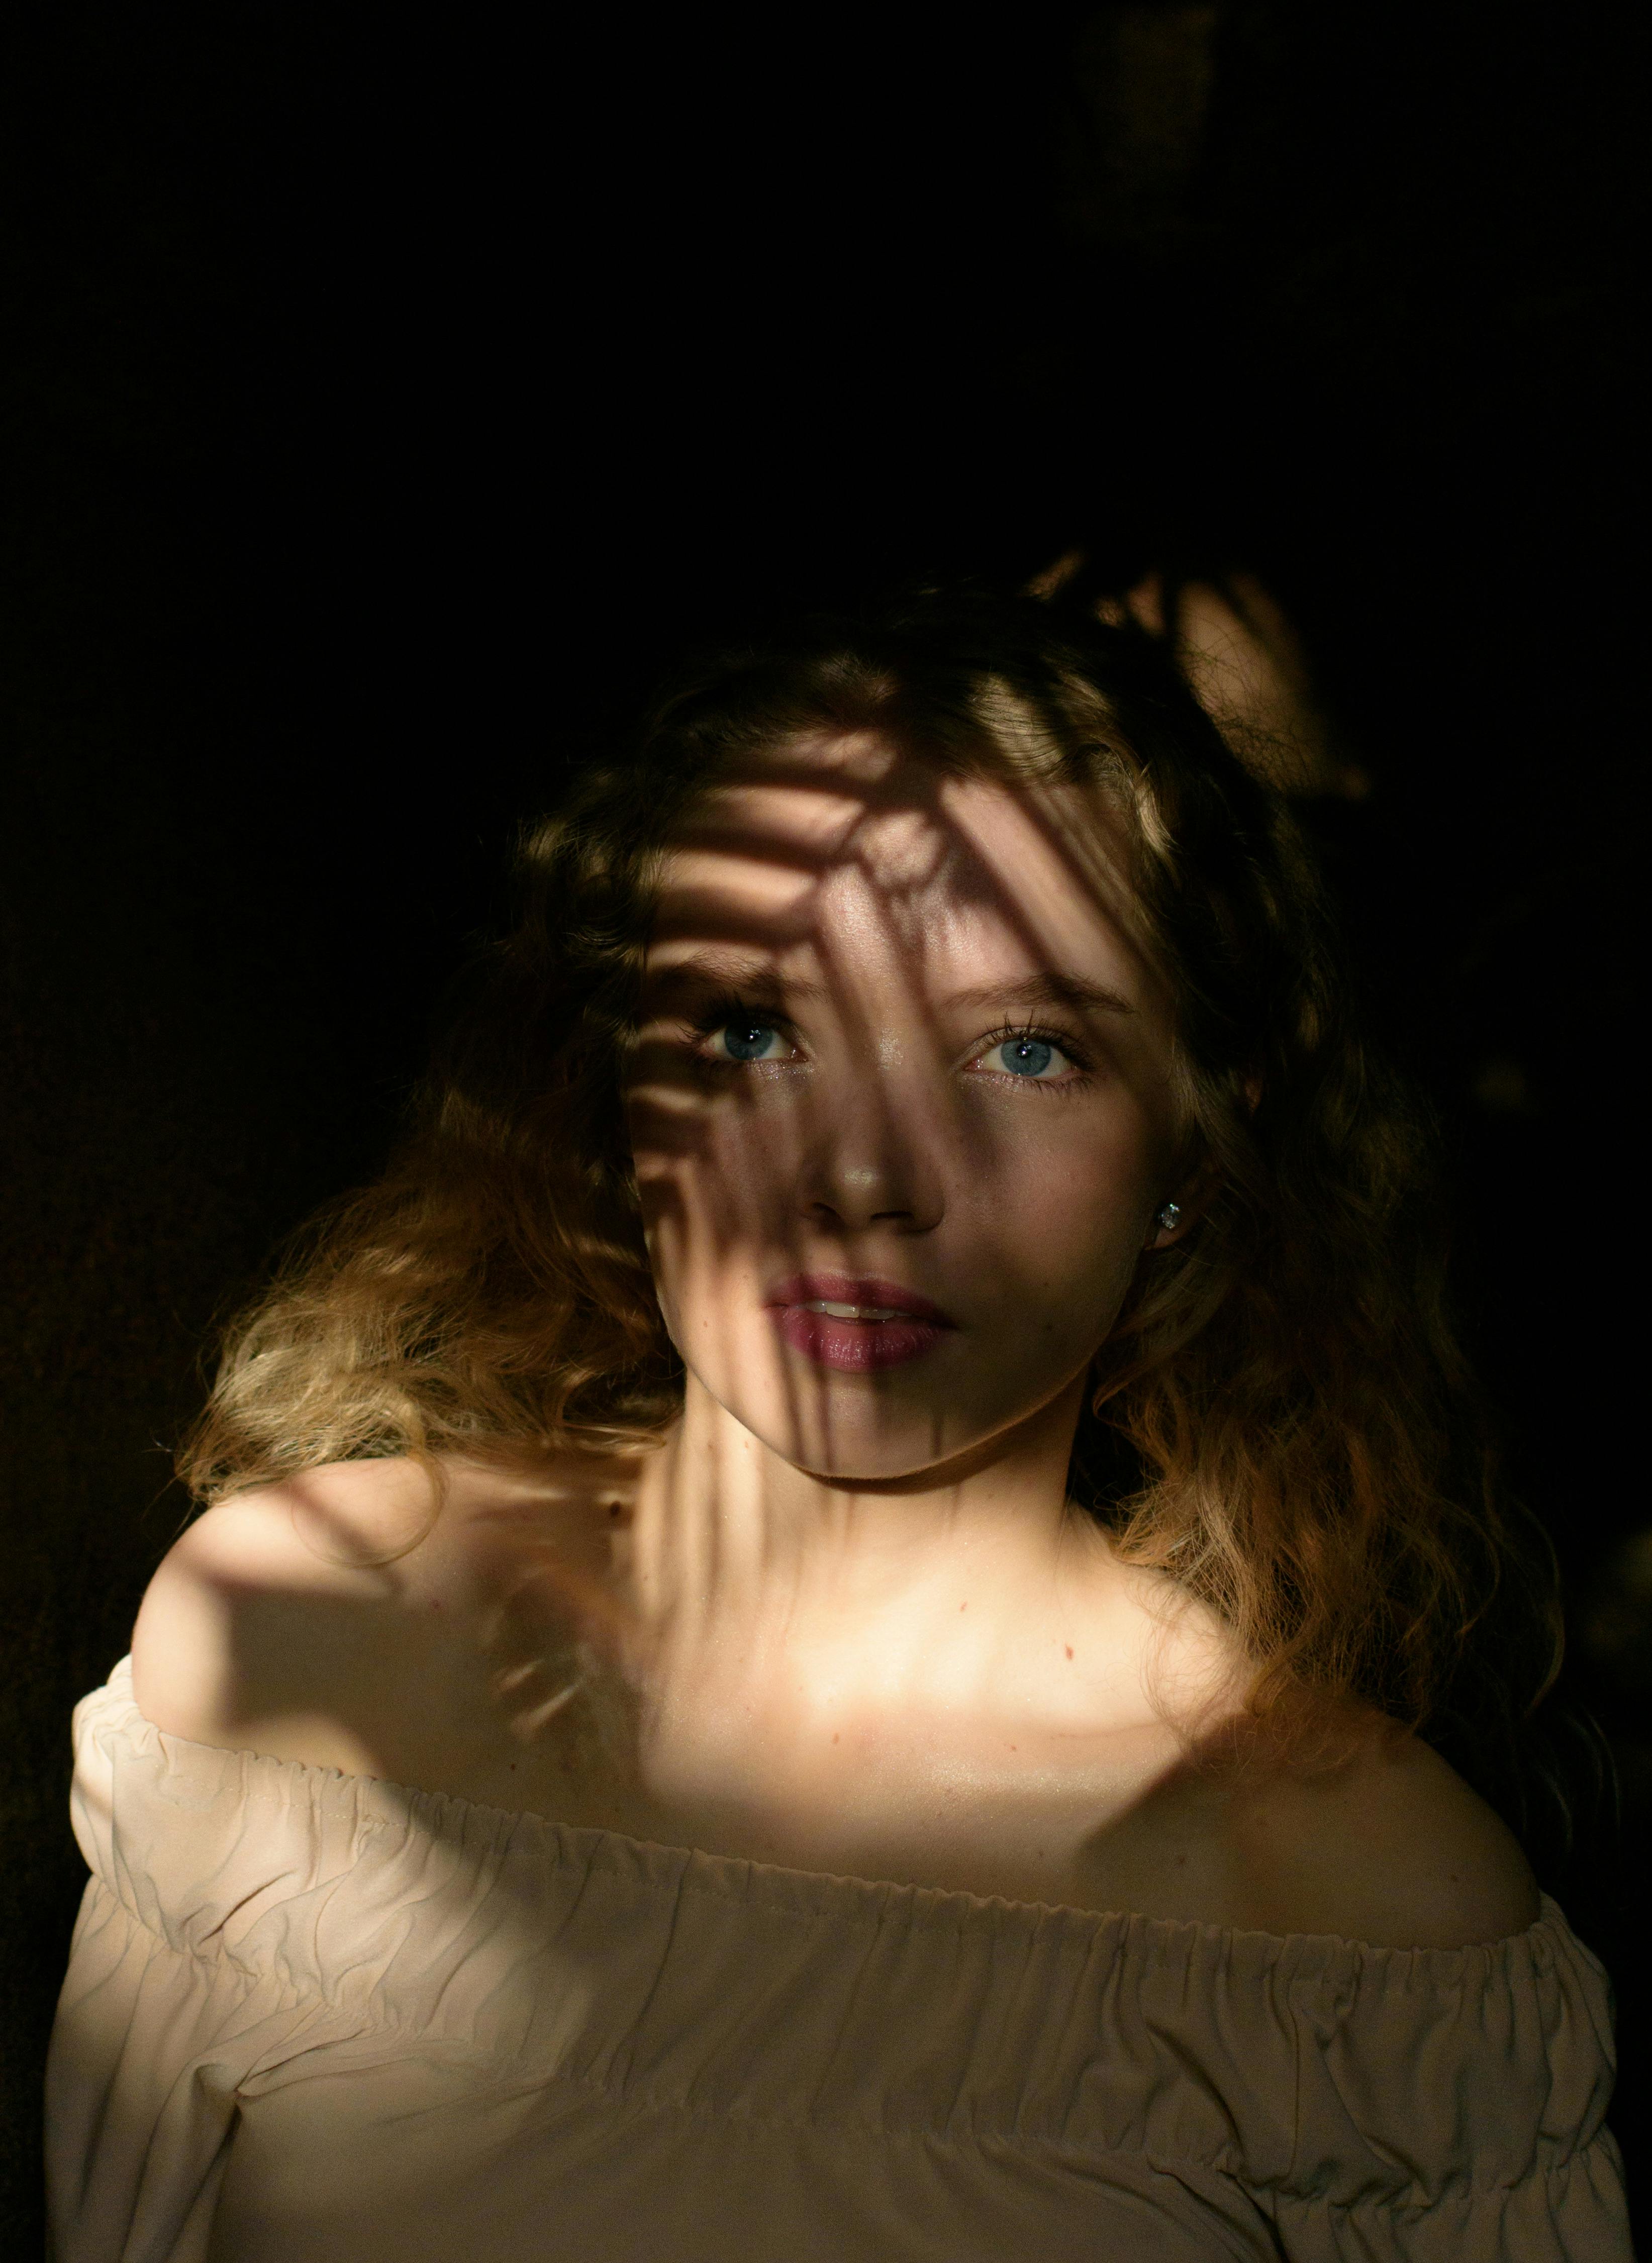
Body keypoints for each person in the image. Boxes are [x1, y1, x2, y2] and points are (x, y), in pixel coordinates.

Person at [47, 590, 1628, 2259]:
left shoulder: (1364, 1921)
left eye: (1026, 1051)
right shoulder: (300, 1647)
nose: (865, 1175)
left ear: (1193, 1158)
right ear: (617, 1090)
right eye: (755, 1030)